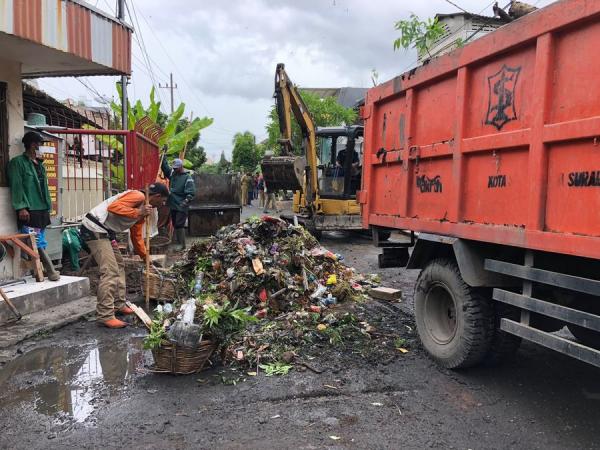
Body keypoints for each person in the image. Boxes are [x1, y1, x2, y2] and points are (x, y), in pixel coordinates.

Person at [80, 183, 169, 328]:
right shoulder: (138, 196)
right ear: (157, 196)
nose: (162, 204)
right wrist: (139, 213)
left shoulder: (144, 210)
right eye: (163, 200)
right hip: (94, 228)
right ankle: (105, 315)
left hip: (107, 232)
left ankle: (118, 304)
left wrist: (145, 256)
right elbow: (113, 207)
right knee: (110, 271)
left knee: (119, 265)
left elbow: (136, 235)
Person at [8, 131, 60, 281]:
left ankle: (38, 271)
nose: (41, 148)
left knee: (40, 239)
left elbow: (44, 187)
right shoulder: (17, 163)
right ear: (32, 145)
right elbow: (16, 186)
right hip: (29, 209)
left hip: (42, 208)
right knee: (35, 240)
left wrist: (48, 207)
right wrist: (21, 207)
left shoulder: (40, 164)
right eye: (40, 145)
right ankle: (50, 270)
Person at [161, 158, 195, 250]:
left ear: (181, 167)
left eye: (176, 168)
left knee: (180, 224)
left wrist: (185, 202)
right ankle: (180, 243)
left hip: (181, 204)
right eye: (174, 168)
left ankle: (182, 246)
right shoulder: (173, 174)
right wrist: (163, 156)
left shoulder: (187, 178)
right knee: (176, 224)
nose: (175, 169)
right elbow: (165, 168)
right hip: (173, 204)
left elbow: (191, 193)